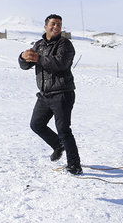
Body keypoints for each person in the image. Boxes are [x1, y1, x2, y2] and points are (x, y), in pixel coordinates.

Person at [18, 14, 82, 175]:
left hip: (62, 93)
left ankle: (74, 165)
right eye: (53, 24)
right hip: (45, 94)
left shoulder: (65, 44)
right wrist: (23, 57)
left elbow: (60, 64)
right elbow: (25, 66)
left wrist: (38, 58)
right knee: (36, 125)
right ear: (45, 26)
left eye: (59, 25)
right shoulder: (39, 45)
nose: (56, 27)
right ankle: (57, 145)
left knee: (63, 130)